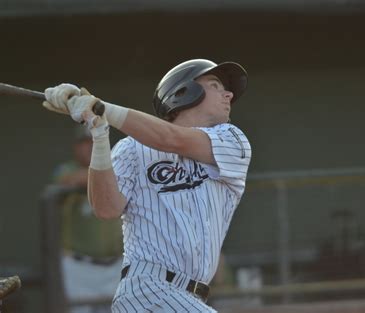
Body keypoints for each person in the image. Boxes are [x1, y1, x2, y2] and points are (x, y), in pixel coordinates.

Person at [42, 59, 252, 312]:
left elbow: (170, 138)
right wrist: (99, 135)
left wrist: (102, 108)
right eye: (216, 85)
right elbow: (107, 209)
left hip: (191, 296)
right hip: (147, 289)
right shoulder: (132, 149)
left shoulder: (233, 140)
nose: (228, 94)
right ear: (184, 91)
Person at [52, 125, 123, 312]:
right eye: (85, 143)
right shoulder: (67, 170)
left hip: (115, 264)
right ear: (76, 147)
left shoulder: (116, 167)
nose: (90, 147)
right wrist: (104, 174)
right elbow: (67, 180)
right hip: (80, 266)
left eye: (94, 142)